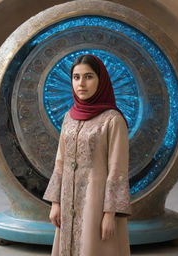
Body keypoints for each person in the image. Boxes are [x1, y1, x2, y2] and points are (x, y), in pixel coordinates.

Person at [43, 54, 131, 256]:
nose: (81, 83)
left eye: (88, 76)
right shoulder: (69, 116)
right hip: (67, 200)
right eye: (76, 77)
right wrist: (56, 203)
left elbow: (118, 170)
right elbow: (60, 162)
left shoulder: (113, 120)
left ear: (101, 81)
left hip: (97, 203)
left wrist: (110, 214)